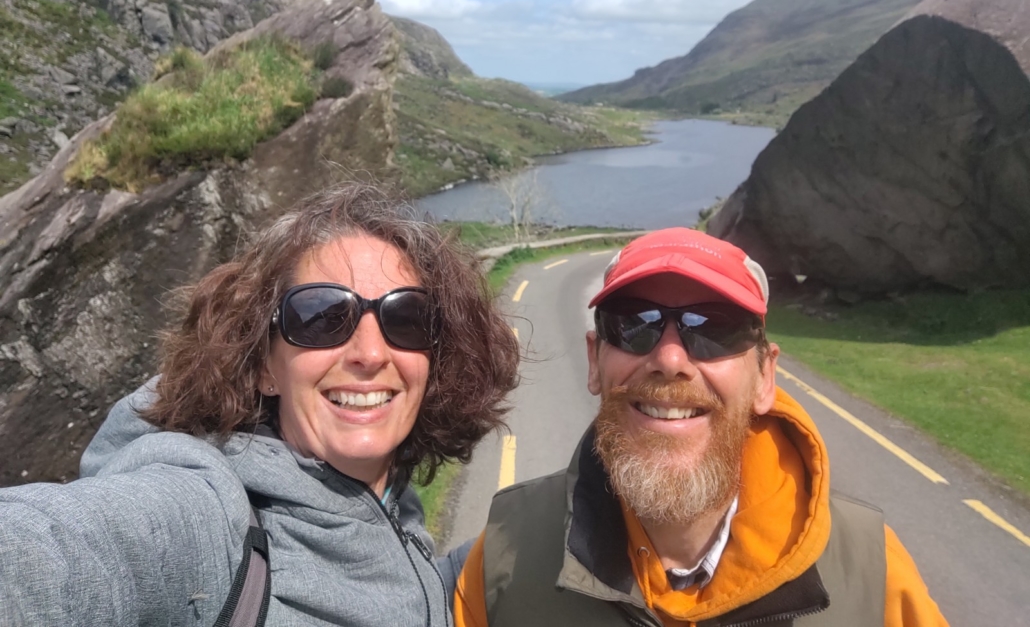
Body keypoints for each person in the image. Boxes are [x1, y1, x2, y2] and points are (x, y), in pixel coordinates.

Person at [0, 181, 520, 627]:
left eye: (406, 319)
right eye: (321, 316)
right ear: (265, 366)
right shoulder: (208, 521)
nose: (370, 353)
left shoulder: (393, 507)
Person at [454, 227, 948, 627]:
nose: (670, 359)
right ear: (595, 360)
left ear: (764, 377)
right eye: (634, 323)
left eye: (714, 328)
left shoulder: (870, 570)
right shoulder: (504, 554)